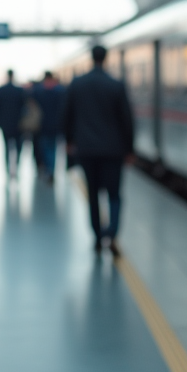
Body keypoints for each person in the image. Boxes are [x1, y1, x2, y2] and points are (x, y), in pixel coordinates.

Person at [63, 45, 135, 256]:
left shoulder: (77, 84)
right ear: (106, 59)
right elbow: (126, 120)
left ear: (90, 58)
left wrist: (69, 141)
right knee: (114, 194)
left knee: (93, 194)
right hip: (113, 151)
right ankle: (112, 233)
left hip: (86, 149)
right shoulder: (116, 85)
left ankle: (96, 237)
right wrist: (129, 149)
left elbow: (67, 115)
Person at [33, 72, 66, 184]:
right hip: (56, 126)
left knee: (45, 148)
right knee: (53, 149)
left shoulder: (38, 92)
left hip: (42, 125)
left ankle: (48, 169)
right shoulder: (60, 91)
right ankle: (51, 169)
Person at [0, 70, 27, 177]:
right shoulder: (20, 90)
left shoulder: (1, 90)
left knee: (6, 147)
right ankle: (16, 166)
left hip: (5, 124)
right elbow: (24, 108)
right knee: (18, 147)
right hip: (18, 124)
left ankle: (8, 168)